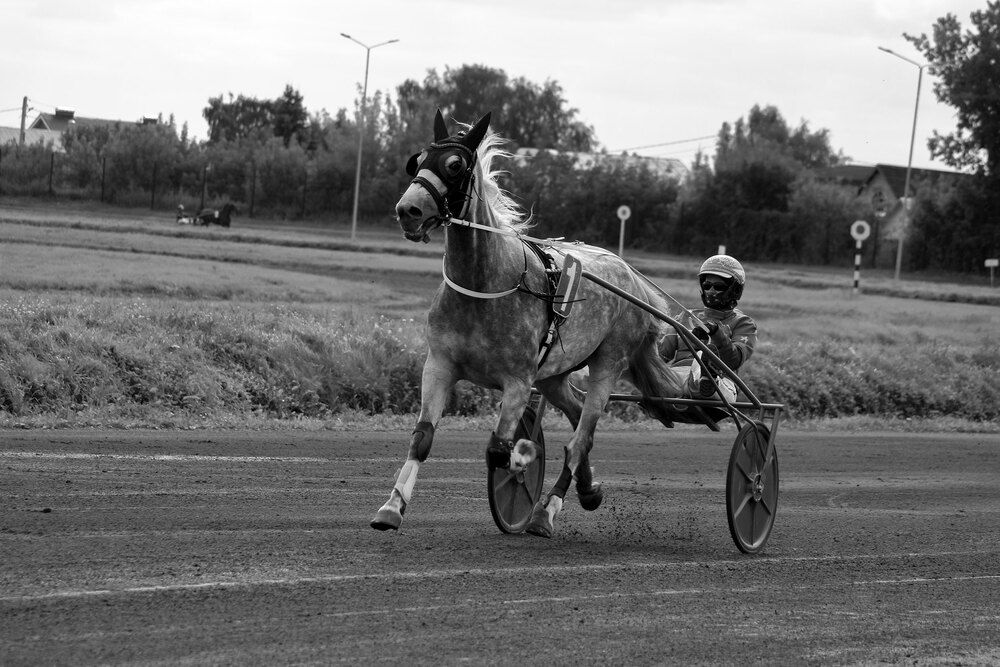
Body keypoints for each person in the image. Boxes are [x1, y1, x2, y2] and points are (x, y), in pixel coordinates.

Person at [658, 254, 758, 400]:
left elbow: (734, 360)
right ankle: (694, 379)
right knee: (654, 372)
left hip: (722, 383)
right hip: (678, 376)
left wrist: (716, 333)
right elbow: (661, 355)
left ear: (735, 289)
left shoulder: (744, 323)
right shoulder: (685, 316)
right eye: (707, 285)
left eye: (718, 286)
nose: (711, 290)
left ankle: (706, 376)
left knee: (702, 356)